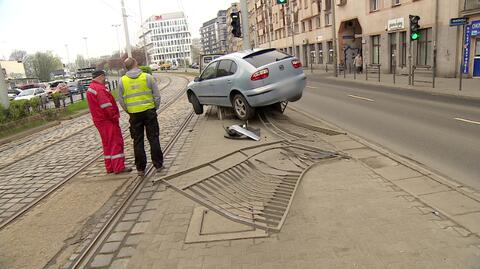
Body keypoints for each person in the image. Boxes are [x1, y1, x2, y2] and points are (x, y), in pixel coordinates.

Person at [118, 58, 163, 176]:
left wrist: (129, 110)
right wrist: (154, 108)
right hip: (149, 112)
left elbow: (121, 100)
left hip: (134, 114)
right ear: (136, 64)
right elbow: (157, 96)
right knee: (153, 138)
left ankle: (140, 168)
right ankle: (158, 164)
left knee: (137, 141)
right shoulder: (147, 77)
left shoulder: (122, 81)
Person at [86, 70, 131, 174]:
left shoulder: (91, 88)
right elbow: (106, 106)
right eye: (104, 77)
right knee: (115, 142)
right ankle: (118, 167)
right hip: (107, 120)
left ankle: (110, 166)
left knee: (107, 144)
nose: (105, 80)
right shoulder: (100, 89)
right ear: (101, 76)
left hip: (99, 120)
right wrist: (114, 117)